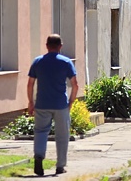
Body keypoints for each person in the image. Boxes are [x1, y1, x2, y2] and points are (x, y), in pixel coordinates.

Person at [27, 34, 78, 177]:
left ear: (47, 46)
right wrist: (71, 102)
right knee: (62, 135)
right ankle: (60, 166)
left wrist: (31, 102)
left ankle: (38, 156)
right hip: (60, 104)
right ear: (60, 46)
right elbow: (75, 85)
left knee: (40, 132)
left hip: (42, 103)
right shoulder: (66, 62)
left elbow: (30, 84)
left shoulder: (38, 62)